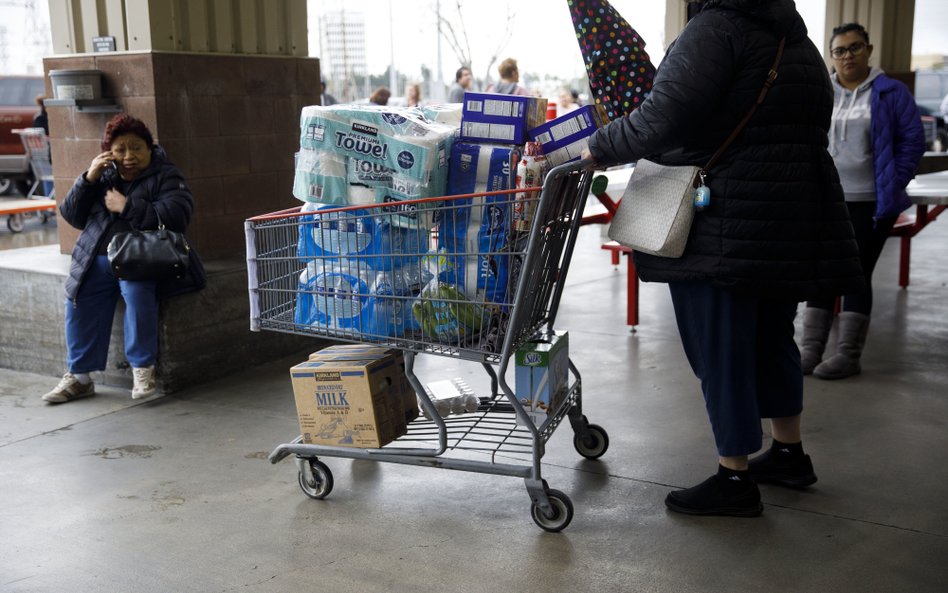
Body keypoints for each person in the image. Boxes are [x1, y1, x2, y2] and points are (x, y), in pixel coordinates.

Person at [582, 0, 863, 516]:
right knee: (771, 338)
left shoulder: (716, 30)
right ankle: (787, 453)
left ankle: (734, 477)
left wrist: (596, 147)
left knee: (722, 348)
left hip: (725, 221)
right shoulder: (795, 40)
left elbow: (661, 117)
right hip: (786, 219)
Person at [43, 114, 205, 404]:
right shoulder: (102, 176)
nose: (129, 156)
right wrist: (87, 179)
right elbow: (72, 216)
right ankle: (79, 377)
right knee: (78, 294)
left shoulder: (165, 174)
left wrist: (128, 206)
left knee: (137, 291)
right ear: (109, 153)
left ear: (149, 148)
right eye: (120, 150)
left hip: (142, 258)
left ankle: (143, 368)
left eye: (136, 148)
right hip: (98, 257)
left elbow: (178, 216)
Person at [799, 23, 925, 380]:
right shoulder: (822, 91)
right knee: (820, 271)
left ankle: (848, 355)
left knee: (855, 274)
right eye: (840, 50)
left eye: (855, 48)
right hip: (826, 200)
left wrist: (893, 180)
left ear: (869, 50)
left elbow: (912, 142)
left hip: (871, 202)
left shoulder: (890, 92)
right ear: (831, 56)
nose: (848, 56)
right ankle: (810, 351)